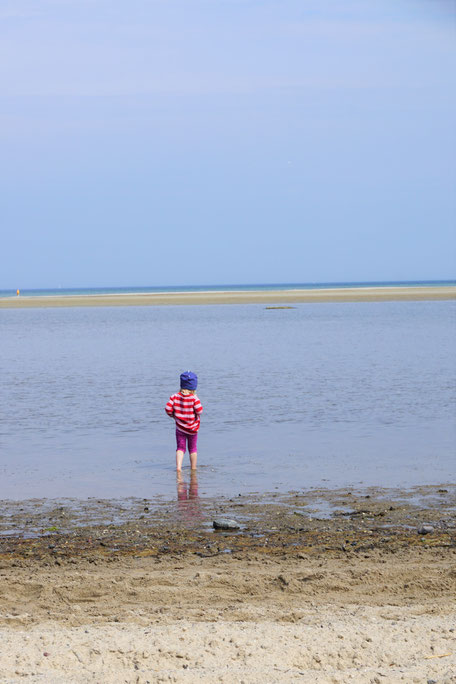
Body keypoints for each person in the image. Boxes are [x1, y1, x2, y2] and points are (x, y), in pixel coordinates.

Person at [165, 371, 203, 471]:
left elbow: (168, 408)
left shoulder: (175, 396)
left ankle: (178, 468)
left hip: (180, 428)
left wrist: (173, 416)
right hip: (192, 428)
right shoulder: (194, 398)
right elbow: (200, 410)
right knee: (193, 449)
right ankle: (193, 468)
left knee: (180, 448)